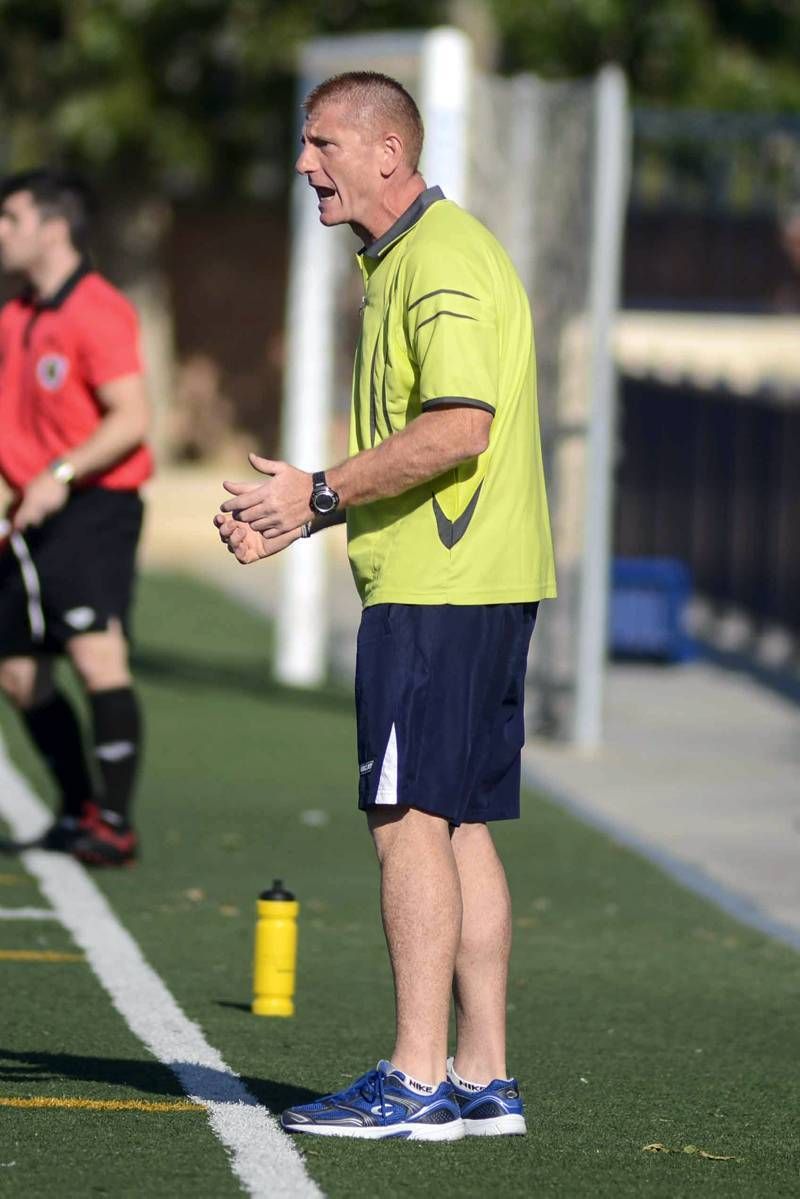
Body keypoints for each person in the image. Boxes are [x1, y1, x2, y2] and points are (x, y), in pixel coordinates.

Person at [215, 72, 556, 1141]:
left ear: (384, 154)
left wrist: (314, 492)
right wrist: (307, 512)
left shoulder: (438, 259)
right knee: (453, 824)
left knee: (408, 820)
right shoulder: (415, 254)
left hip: (439, 591)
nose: (305, 164)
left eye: (320, 143)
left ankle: (413, 1080)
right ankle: (480, 1074)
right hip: (478, 584)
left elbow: (459, 427)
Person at [0, 169, 152, 866]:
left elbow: (133, 418)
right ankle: (76, 807)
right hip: (29, 512)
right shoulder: (15, 315)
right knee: (19, 673)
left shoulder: (99, 309)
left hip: (93, 505)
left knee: (96, 655)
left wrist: (61, 474)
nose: (2, 232)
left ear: (52, 228)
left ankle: (114, 822)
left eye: (10, 219)